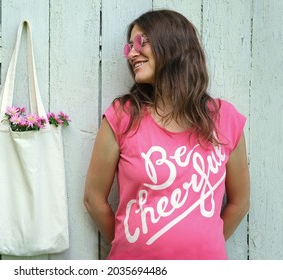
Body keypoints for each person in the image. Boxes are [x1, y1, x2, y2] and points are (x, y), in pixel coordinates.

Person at [83, 9, 250, 260]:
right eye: (129, 47)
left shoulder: (225, 119)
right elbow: (93, 199)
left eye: (141, 42)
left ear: (173, 43)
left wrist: (201, 246)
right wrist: (131, 247)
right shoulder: (122, 117)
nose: (132, 53)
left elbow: (239, 202)